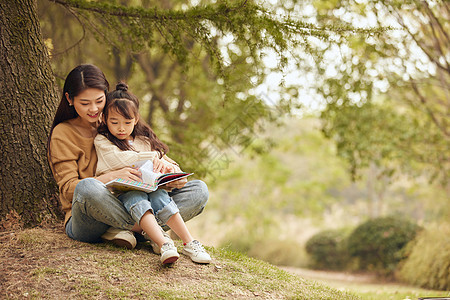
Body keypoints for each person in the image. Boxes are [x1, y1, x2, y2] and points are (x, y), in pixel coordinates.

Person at [47, 64, 209, 255]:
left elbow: (155, 153)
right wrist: (113, 176)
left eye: (99, 101)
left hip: (132, 202)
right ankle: (148, 231)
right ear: (69, 99)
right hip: (91, 215)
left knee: (198, 190)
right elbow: (68, 191)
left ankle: (130, 230)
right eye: (85, 103)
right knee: (87, 187)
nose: (93, 109)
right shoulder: (63, 133)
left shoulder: (117, 119)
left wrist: (171, 171)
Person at [94, 81, 211, 264]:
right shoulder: (102, 141)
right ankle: (162, 241)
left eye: (127, 122)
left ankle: (188, 242)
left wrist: (169, 169)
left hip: (152, 192)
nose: (121, 128)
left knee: (164, 195)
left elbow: (166, 165)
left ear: (136, 118)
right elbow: (118, 159)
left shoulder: (144, 140)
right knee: (135, 197)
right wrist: (154, 156)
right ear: (104, 119)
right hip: (121, 198)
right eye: (114, 122)